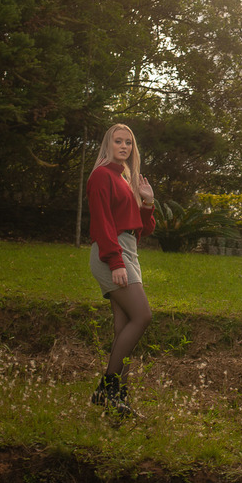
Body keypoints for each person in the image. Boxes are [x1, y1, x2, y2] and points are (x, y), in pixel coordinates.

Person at [87, 123, 156, 415]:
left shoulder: (126, 177)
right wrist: (115, 262)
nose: (124, 146)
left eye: (128, 142)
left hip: (129, 250)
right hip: (111, 251)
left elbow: (142, 229)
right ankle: (108, 387)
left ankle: (118, 397)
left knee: (123, 327)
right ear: (108, 145)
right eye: (118, 141)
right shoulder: (101, 176)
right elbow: (102, 223)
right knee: (142, 316)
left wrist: (148, 201)